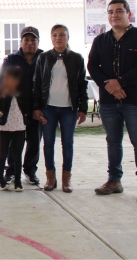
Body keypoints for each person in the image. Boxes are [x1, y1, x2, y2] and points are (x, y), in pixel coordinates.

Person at [88, 0, 137, 204]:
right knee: (113, 142)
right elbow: (93, 67)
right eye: (110, 12)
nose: (114, 15)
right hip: (109, 101)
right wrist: (109, 86)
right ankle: (114, 180)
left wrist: (121, 82)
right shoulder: (101, 40)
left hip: (135, 100)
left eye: (119, 11)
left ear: (129, 14)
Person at [33, 25, 88, 193]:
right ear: (51, 38)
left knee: (68, 143)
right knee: (48, 143)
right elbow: (36, 84)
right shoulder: (43, 58)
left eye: (62, 35)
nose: (58, 38)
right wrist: (36, 108)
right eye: (55, 35)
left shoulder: (77, 59)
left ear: (68, 37)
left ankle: (66, 179)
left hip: (68, 109)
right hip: (48, 107)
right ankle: (50, 177)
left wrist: (83, 109)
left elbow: (82, 85)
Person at [3, 26, 44, 185]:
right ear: (21, 42)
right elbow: (5, 82)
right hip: (17, 108)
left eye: (33, 40)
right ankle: (12, 170)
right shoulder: (12, 58)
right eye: (26, 40)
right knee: (15, 141)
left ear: (38, 41)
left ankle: (30, 170)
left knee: (34, 140)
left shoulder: (45, 57)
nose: (29, 43)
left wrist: (38, 106)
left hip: (38, 108)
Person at [0, 66, 27, 191]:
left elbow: (27, 107)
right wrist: (3, 96)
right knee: (3, 153)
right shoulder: (4, 91)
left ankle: (18, 181)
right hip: (5, 126)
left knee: (17, 154)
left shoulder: (23, 93)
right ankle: (1, 179)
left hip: (20, 126)